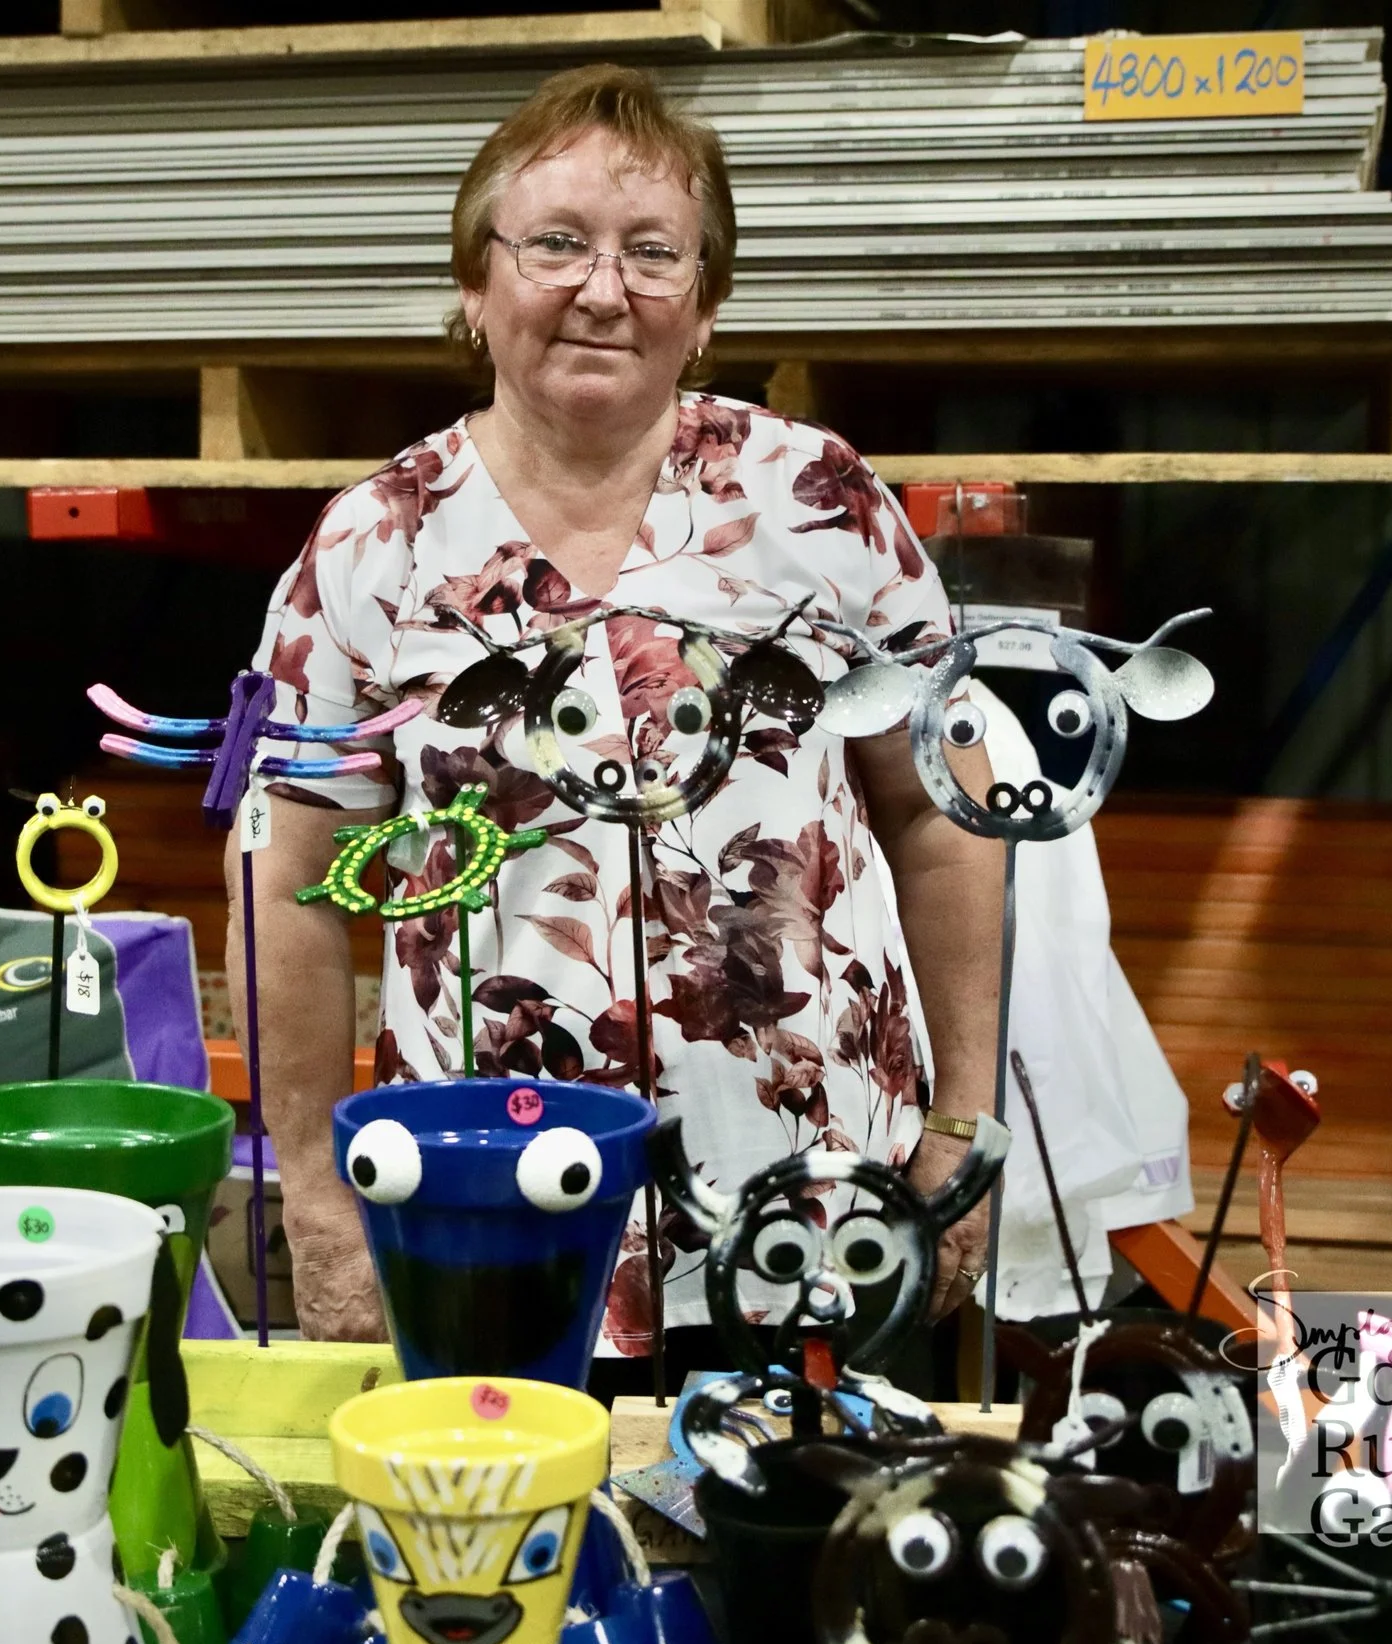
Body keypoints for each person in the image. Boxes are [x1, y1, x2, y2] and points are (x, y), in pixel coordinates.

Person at [226, 63, 1005, 1365]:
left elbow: (939, 808)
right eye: (558, 244)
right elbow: (288, 869)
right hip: (484, 1212)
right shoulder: (375, 545)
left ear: (703, 309)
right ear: (474, 287)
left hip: (816, 1214)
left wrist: (963, 1120)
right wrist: (314, 1195)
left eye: (655, 252)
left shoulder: (821, 501)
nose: (605, 289)